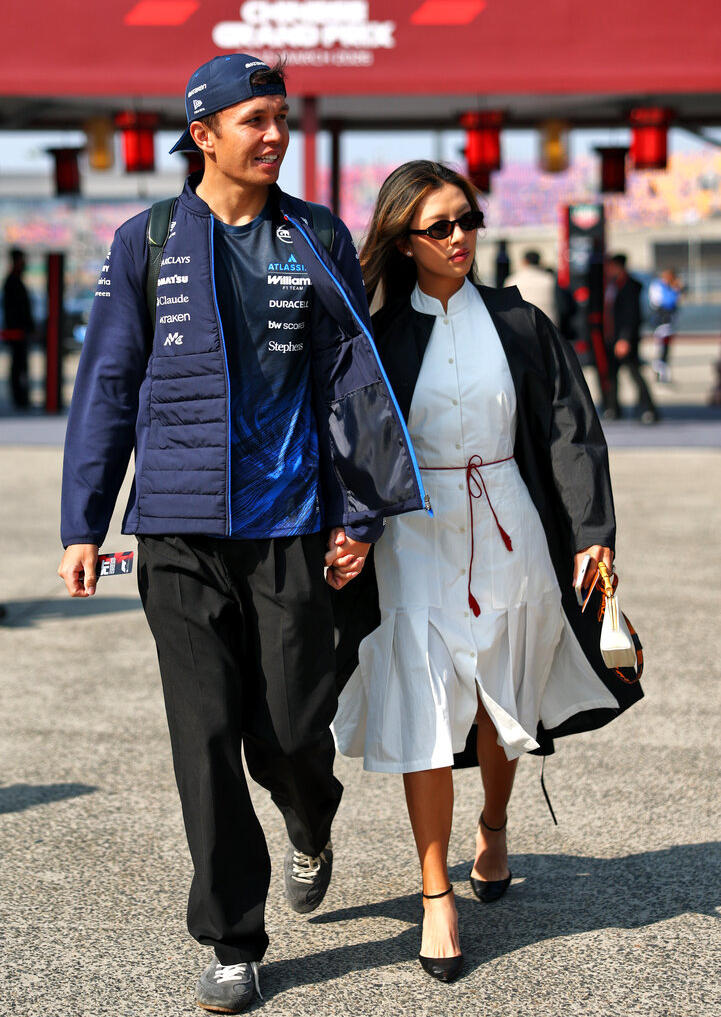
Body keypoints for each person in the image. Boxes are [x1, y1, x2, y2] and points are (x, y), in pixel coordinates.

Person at [57, 54, 426, 1014]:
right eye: (254, 119)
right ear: (204, 133)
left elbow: (351, 381)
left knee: (295, 728)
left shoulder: (316, 235)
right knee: (206, 734)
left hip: (292, 521)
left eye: (282, 117)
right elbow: (107, 384)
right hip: (176, 531)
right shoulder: (145, 240)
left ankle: (312, 819)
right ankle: (232, 937)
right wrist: (83, 522)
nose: (274, 134)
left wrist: (359, 510)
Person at [332, 161, 642, 983]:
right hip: (414, 535)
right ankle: (436, 894)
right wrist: (349, 530)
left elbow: (570, 428)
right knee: (427, 704)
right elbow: (351, 440)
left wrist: (590, 533)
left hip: (509, 522)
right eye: (439, 226)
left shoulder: (519, 321)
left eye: (467, 219)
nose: (460, 237)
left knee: (497, 692)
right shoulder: (376, 333)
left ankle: (495, 824)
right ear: (403, 239)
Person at [602, 253, 658, 423]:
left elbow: (631, 315)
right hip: (611, 337)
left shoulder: (630, 286)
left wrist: (624, 338)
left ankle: (648, 410)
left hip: (624, 339)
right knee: (612, 375)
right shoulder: (612, 285)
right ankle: (613, 408)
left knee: (634, 373)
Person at [2, 248, 35, 408]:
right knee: (18, 367)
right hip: (17, 333)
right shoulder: (12, 282)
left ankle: (21, 398)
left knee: (19, 366)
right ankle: (20, 399)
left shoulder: (14, 281)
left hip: (19, 332)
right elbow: (18, 310)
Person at [504, 249, 558, 325]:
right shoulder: (550, 280)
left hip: (521, 324)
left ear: (524, 262)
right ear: (540, 262)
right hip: (548, 324)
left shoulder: (512, 280)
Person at [648, 267, 683, 382]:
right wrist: (675, 290)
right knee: (661, 346)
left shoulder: (669, 287)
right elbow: (664, 302)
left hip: (669, 321)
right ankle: (660, 370)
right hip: (661, 320)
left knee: (665, 347)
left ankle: (662, 371)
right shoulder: (658, 286)